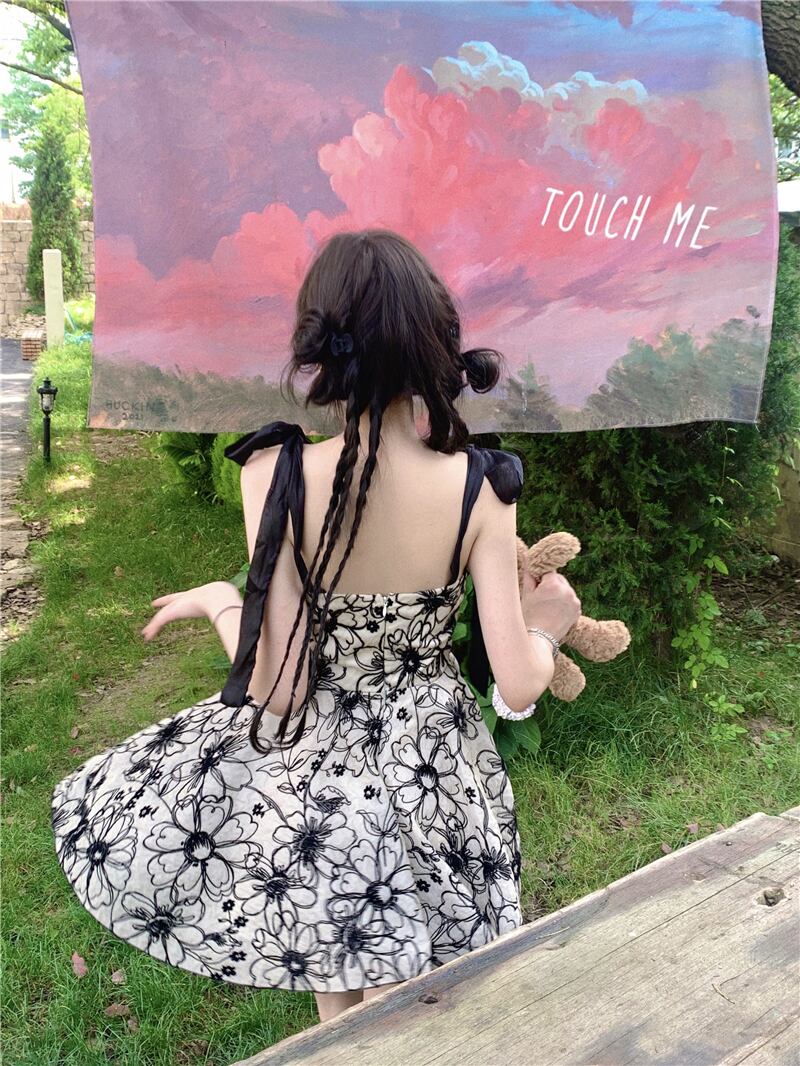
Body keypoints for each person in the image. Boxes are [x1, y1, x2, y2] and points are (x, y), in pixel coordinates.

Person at [51, 229, 581, 1025]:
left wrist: (221, 602)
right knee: (424, 1000)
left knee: (341, 996)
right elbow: (516, 681)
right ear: (434, 343)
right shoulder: (480, 486)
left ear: (319, 349)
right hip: (434, 768)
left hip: (321, 779)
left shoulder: (277, 474)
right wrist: (548, 624)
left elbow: (282, 689)